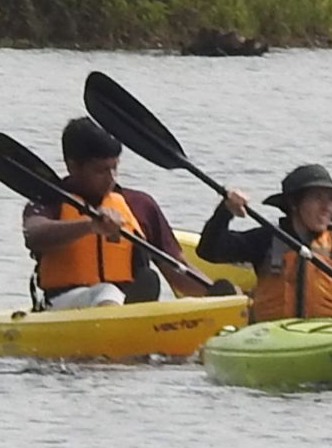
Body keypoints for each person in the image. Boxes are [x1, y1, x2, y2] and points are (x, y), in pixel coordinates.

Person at [22, 117, 223, 309]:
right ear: (72, 166)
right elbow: (34, 235)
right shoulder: (49, 202)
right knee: (107, 291)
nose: (111, 178)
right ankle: (124, 312)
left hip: (125, 306)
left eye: (114, 168)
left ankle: (128, 313)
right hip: (62, 306)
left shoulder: (140, 204)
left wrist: (221, 298)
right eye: (101, 171)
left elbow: (177, 267)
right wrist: (89, 225)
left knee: (116, 292)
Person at [196, 164, 332, 323]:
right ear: (294, 204)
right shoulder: (266, 239)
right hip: (274, 334)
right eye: (318, 198)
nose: (328, 207)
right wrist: (225, 211)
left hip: (330, 333)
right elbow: (209, 250)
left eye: (330, 200)